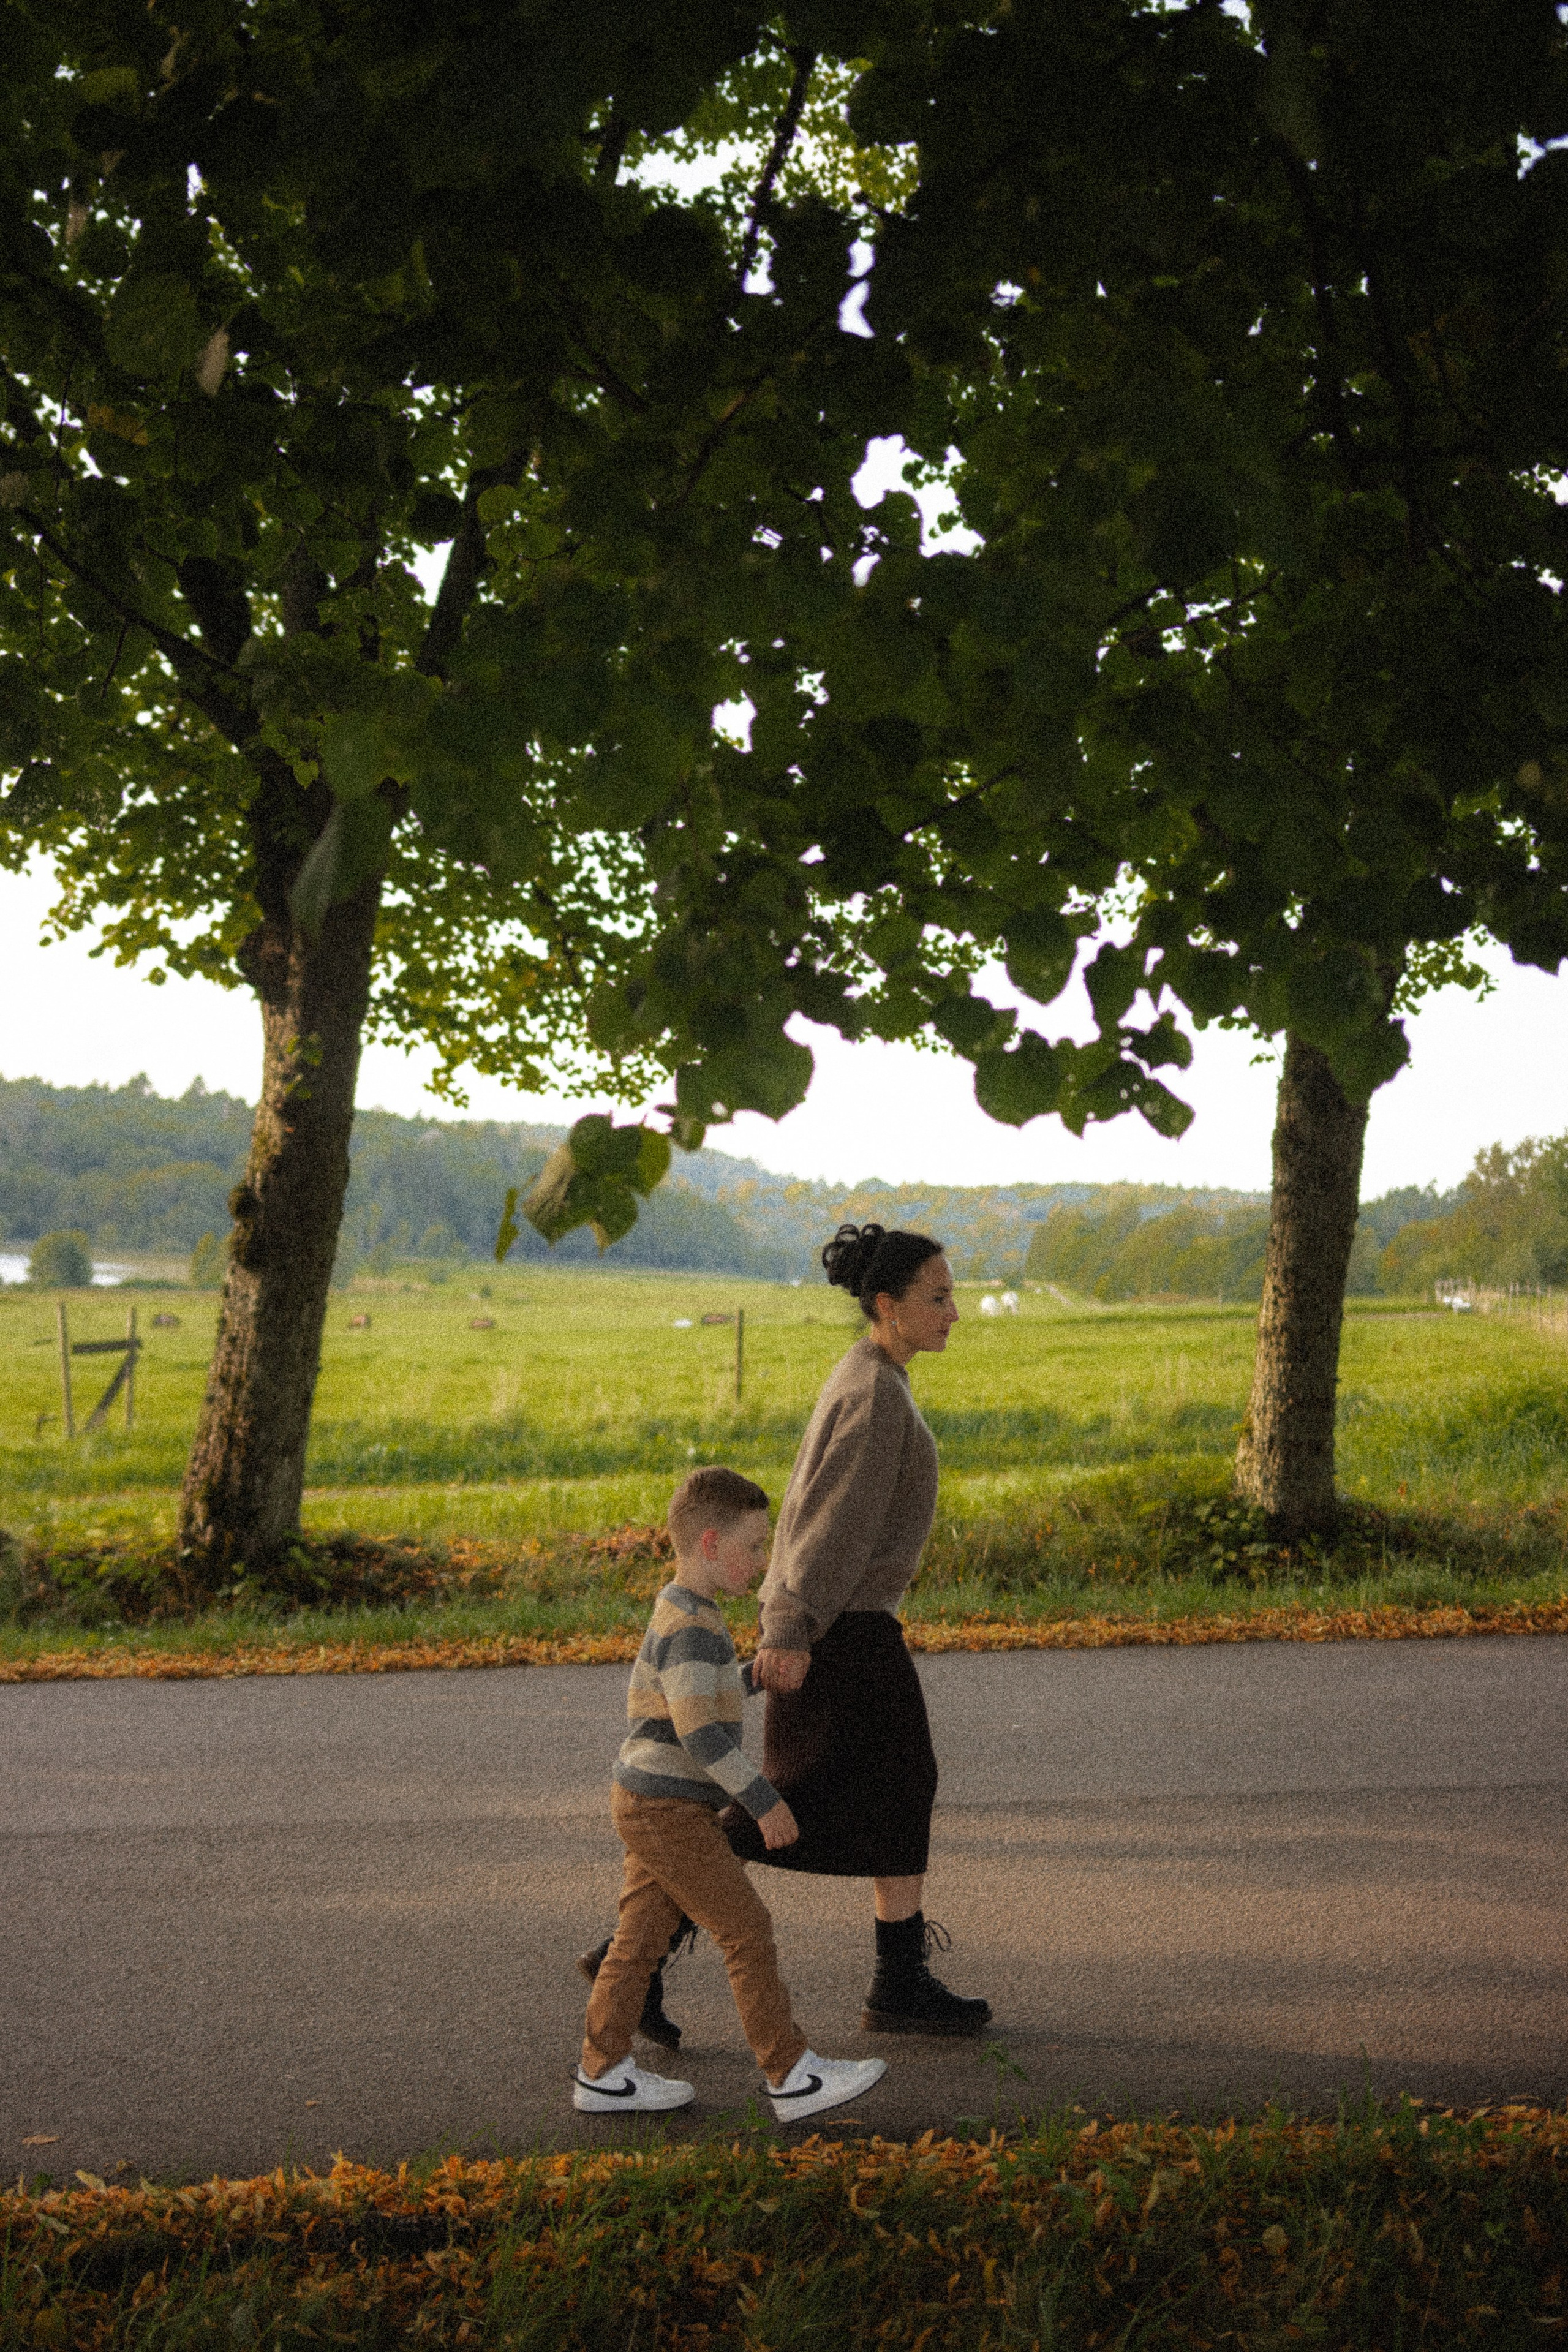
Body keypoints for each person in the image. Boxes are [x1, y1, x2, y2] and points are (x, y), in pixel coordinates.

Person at [719, 1224, 991, 2035]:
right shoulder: (875, 1396)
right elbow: (828, 1527)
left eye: (950, 1295)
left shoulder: (869, 1373)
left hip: (844, 1626)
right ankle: (640, 1944)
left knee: (895, 1792)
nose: (953, 1312)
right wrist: (790, 1630)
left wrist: (791, 1622)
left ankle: (898, 1979)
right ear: (887, 1305)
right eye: (936, 1297)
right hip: (844, 1632)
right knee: (784, 1806)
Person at [572, 1464, 890, 2122]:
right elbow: (701, 1738)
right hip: (666, 1809)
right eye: (753, 1546)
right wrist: (763, 1800)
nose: (761, 1560)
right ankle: (790, 2074)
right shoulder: (692, 1624)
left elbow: (693, 1698)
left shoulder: (688, 1610)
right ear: (711, 1545)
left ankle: (601, 2072)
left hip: (647, 1800)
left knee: (638, 1941)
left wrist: (751, 1677)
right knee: (745, 1929)